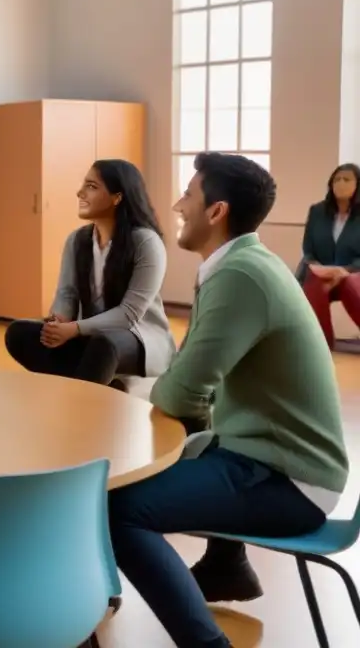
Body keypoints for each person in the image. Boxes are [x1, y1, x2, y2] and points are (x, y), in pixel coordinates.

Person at [108, 152, 349, 648]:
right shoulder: (243, 263)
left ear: (215, 212)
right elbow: (197, 384)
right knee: (194, 442)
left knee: (119, 508)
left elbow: (180, 389)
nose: (177, 204)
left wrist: (179, 396)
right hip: (272, 459)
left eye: (188, 195)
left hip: (290, 480)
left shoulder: (239, 276)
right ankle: (227, 564)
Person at [3, 159, 175, 388]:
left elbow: (129, 314)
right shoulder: (78, 240)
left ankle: (83, 402)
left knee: (105, 345)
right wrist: (59, 321)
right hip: (89, 336)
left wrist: (74, 329)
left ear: (117, 197)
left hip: (140, 339)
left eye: (92, 187)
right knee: (19, 333)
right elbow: (67, 293)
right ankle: (90, 384)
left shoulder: (146, 242)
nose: (79, 193)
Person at [297, 162, 360, 349]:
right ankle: (321, 345)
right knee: (315, 281)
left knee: (348, 283)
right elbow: (308, 249)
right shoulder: (317, 211)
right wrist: (320, 268)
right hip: (322, 273)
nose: (340, 184)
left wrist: (344, 271)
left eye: (347, 179)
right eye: (336, 180)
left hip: (353, 274)